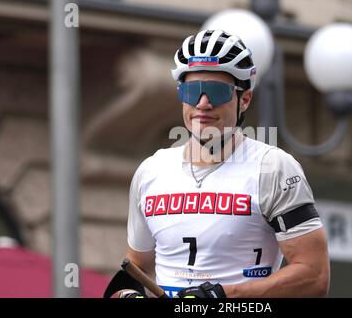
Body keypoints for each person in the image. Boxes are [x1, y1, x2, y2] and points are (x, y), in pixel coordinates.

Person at [105, 29, 330, 298]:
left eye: (216, 92)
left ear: (244, 99)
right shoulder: (150, 171)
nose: (202, 103)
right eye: (192, 91)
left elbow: (314, 276)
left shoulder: (273, 168)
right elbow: (135, 268)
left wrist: (222, 296)